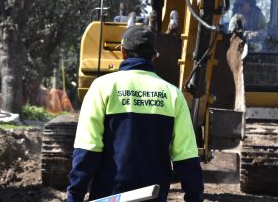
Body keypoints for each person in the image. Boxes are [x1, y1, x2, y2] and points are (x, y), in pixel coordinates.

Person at [67, 25, 204, 202]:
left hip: (109, 195)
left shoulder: (102, 88)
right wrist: (195, 197)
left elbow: (88, 148)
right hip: (153, 197)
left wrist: (75, 194)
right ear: (154, 56)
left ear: (123, 52)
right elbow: (186, 157)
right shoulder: (173, 94)